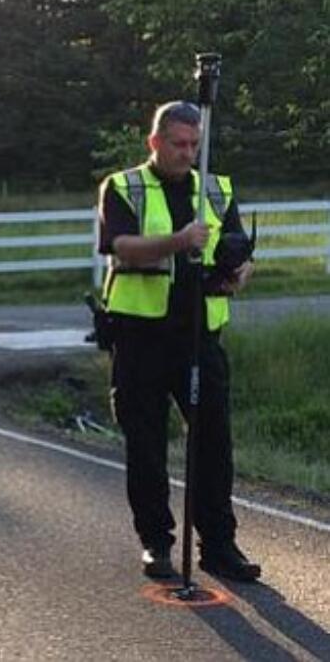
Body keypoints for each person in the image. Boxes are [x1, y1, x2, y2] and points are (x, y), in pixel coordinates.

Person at [97, 100, 261, 583]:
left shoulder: (215, 185)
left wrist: (239, 274)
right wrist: (179, 240)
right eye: (178, 144)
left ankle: (219, 544)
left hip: (199, 334)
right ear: (155, 142)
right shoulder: (123, 187)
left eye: (194, 144)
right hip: (141, 333)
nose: (187, 153)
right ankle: (156, 542)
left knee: (214, 442)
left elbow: (236, 246)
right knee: (146, 444)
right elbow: (121, 246)